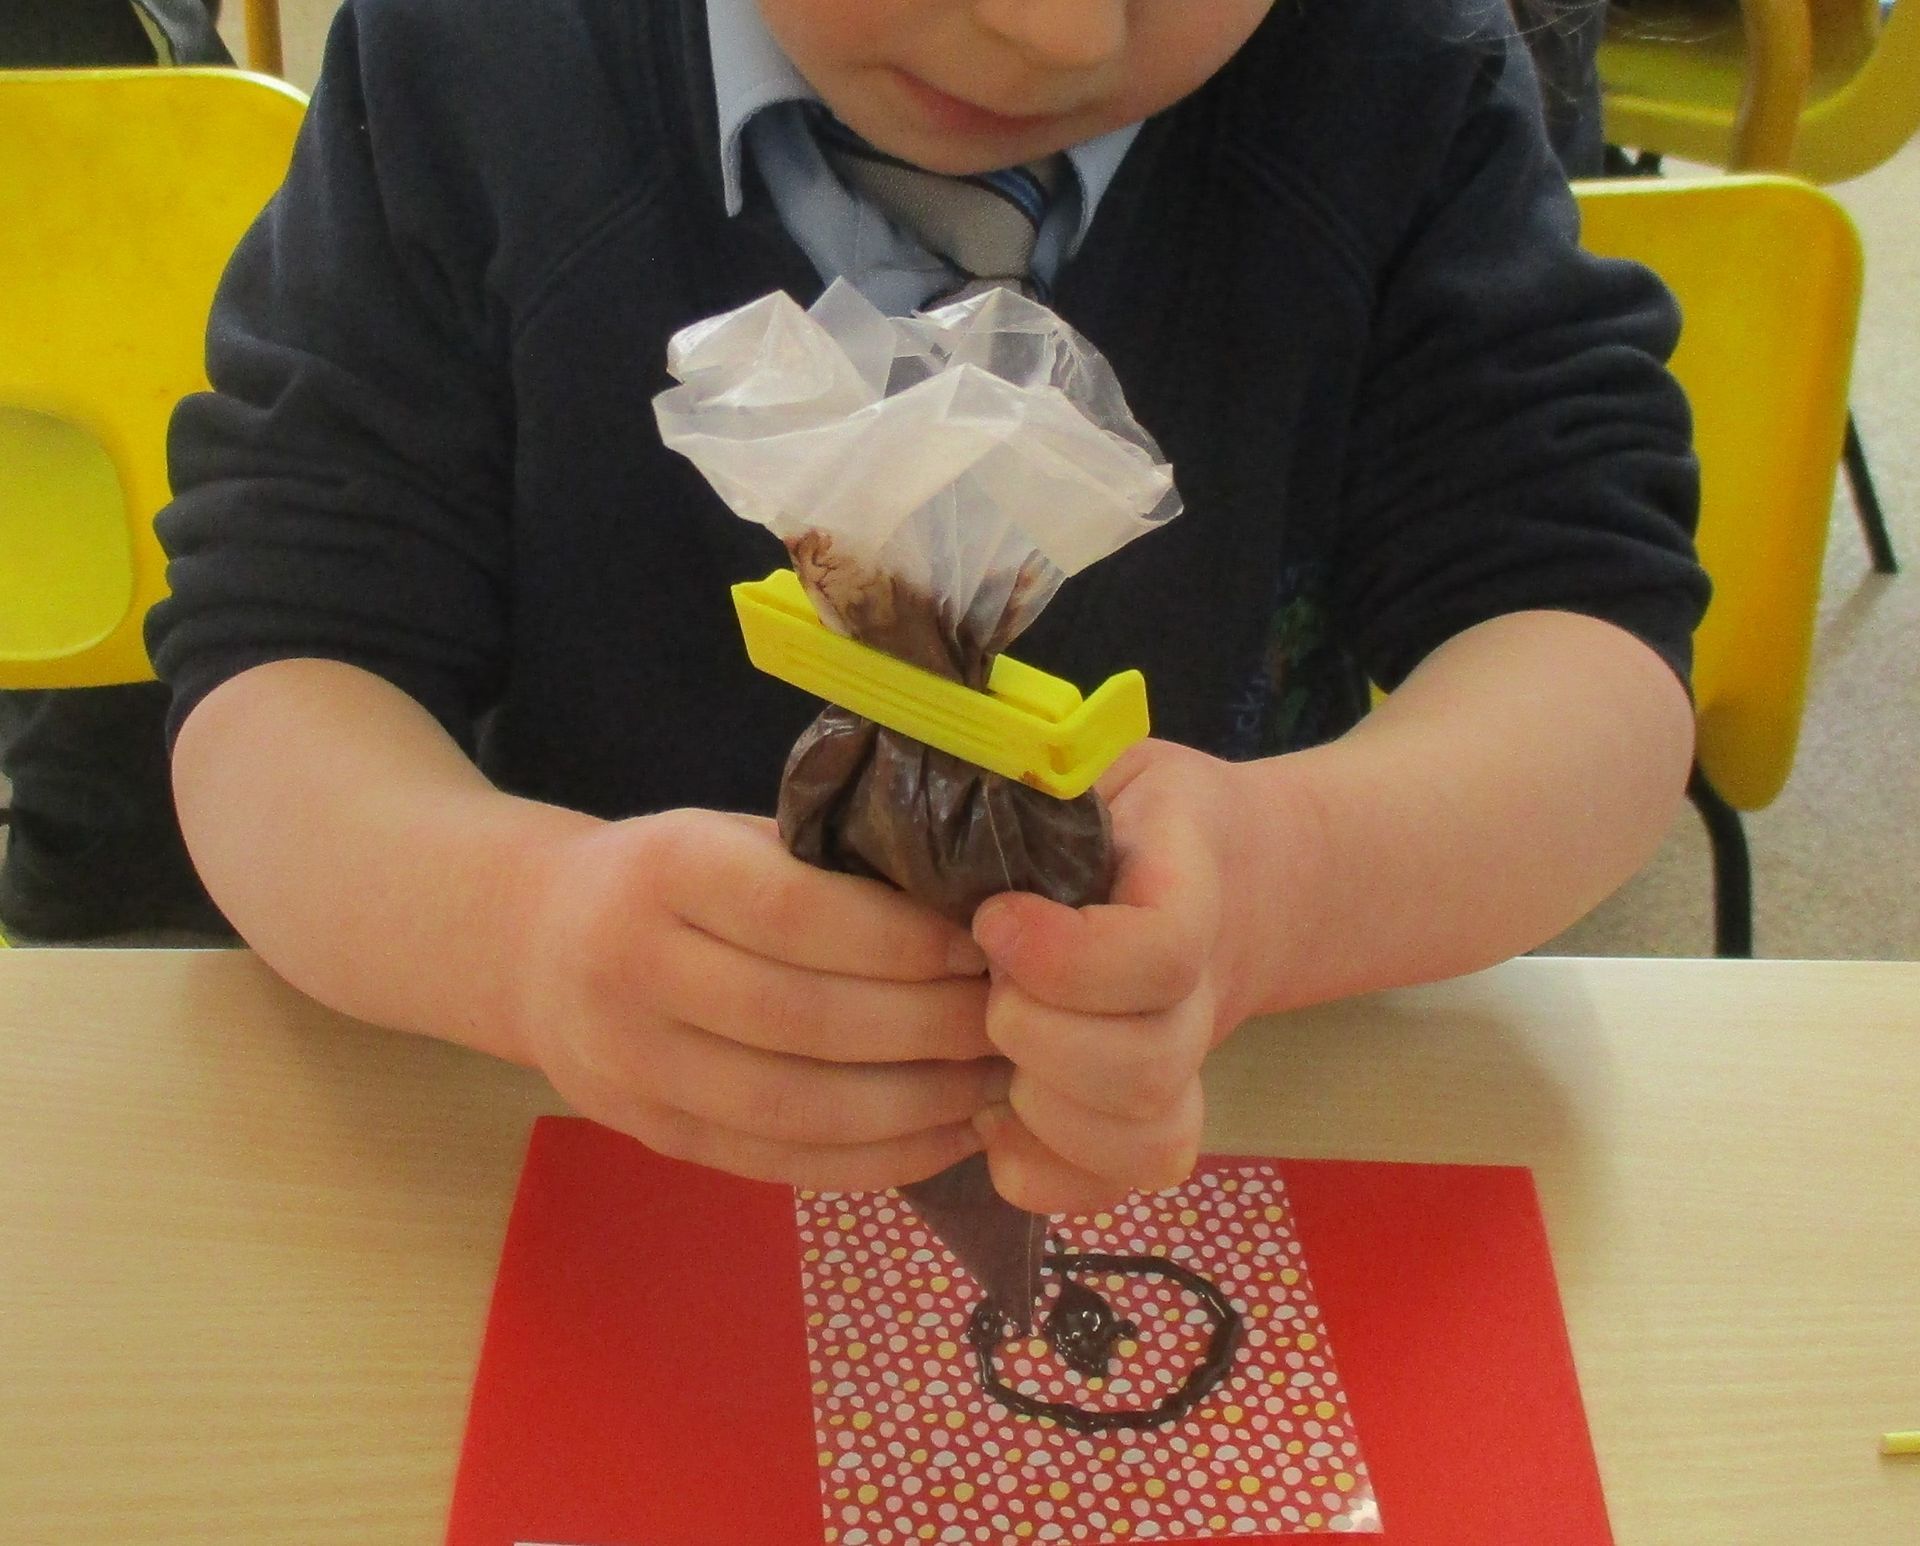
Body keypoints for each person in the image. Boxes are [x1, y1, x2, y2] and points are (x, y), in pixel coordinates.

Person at [149, 0, 1707, 1217]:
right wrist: (524, 938)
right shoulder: (469, 59)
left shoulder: (1399, 77)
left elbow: (1587, 643)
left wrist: (1293, 884)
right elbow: (278, 676)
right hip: (559, 1159)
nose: (1057, 34)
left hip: (1210, 1140)